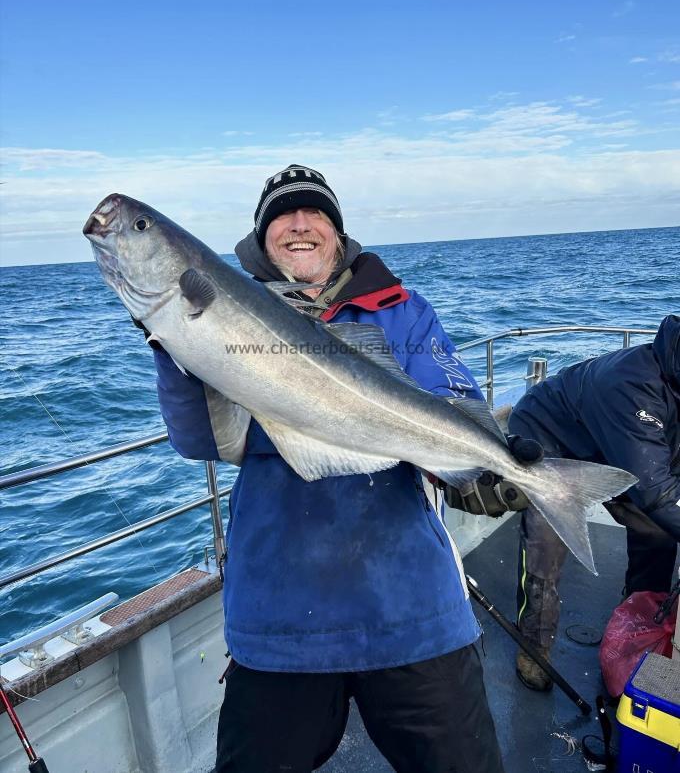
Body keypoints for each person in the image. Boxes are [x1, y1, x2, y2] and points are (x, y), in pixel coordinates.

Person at [148, 164, 534, 773]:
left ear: (337, 232)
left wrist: (485, 467)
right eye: (283, 216)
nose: (300, 225)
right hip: (278, 617)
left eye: (316, 214)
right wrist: (173, 343)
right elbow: (201, 440)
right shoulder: (225, 314)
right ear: (261, 237)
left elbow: (454, 401)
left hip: (411, 609)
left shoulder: (401, 310)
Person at [506, 317, 680, 690]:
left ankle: (639, 621)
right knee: (546, 546)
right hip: (548, 441)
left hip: (613, 447)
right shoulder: (634, 384)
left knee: (657, 533)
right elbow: (656, 490)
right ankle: (534, 649)